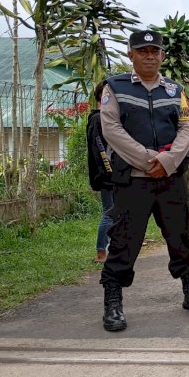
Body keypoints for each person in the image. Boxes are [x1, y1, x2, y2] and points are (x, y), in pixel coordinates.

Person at [99, 29, 189, 332]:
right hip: (132, 181)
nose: (149, 55)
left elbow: (186, 128)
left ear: (162, 55)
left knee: (181, 238)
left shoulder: (176, 90)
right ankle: (113, 304)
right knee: (124, 241)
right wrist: (150, 160)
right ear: (130, 54)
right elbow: (111, 129)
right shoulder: (114, 87)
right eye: (143, 50)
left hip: (170, 180)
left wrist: (168, 161)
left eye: (154, 50)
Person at [86, 80, 113, 263]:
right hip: (106, 174)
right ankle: (100, 251)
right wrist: (109, 171)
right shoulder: (97, 119)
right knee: (109, 212)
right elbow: (99, 148)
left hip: (117, 173)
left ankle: (115, 246)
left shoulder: (109, 117)